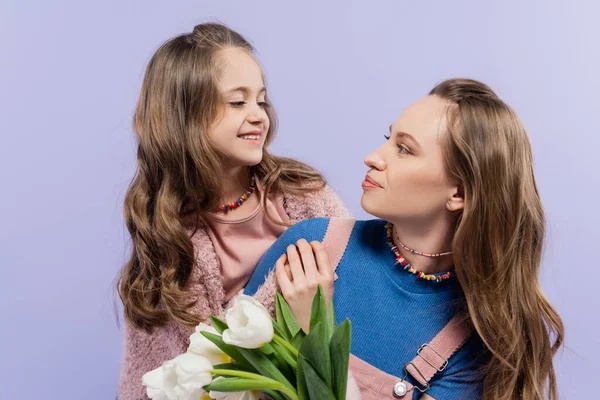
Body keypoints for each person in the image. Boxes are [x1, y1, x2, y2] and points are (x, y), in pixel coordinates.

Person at [245, 78, 564, 399]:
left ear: (459, 193)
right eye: (388, 138)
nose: (373, 157)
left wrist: (315, 333)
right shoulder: (313, 245)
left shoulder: (476, 340)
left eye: (404, 149)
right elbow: (219, 372)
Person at [116, 22, 348, 399]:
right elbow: (192, 365)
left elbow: (354, 272)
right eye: (237, 102)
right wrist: (280, 301)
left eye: (261, 99)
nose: (258, 114)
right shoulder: (171, 236)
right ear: (184, 115)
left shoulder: (304, 195)